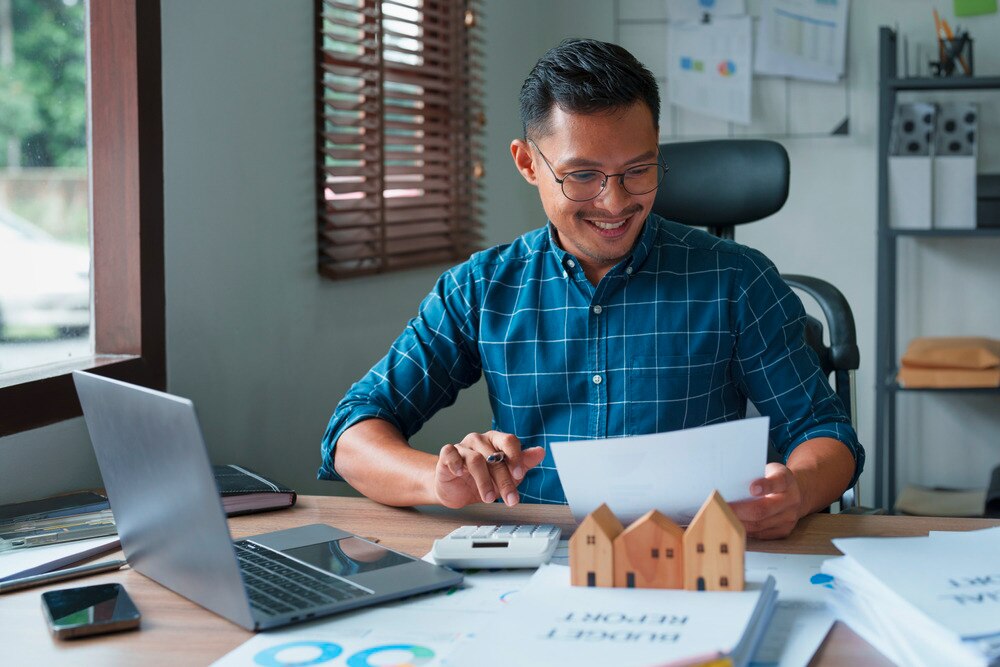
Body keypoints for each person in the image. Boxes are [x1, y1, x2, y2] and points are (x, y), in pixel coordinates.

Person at [319, 38, 864, 540]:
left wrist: (797, 491)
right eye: (582, 176)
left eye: (638, 170)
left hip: (691, 555)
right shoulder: (481, 288)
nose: (615, 202)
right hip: (536, 561)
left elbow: (825, 432)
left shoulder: (738, 281)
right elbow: (351, 434)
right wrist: (440, 482)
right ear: (528, 163)